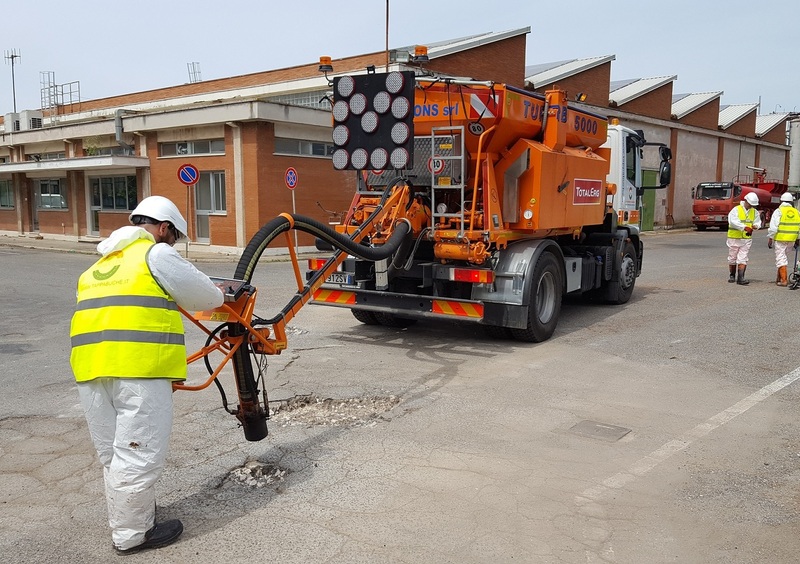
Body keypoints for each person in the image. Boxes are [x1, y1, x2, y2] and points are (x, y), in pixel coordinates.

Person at [70, 195, 224, 554]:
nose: (173, 244)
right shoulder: (155, 254)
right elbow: (206, 297)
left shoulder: (99, 266)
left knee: (113, 454)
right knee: (138, 454)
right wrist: (219, 292)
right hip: (139, 369)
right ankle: (132, 535)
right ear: (164, 228)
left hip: (91, 371)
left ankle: (131, 516)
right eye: (174, 237)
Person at [726, 192, 762, 285]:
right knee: (732, 258)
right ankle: (732, 275)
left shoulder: (754, 212)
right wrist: (744, 227)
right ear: (746, 201)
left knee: (743, 257)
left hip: (746, 238)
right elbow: (733, 221)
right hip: (734, 237)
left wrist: (756, 226)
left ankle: (741, 278)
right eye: (750, 204)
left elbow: (758, 222)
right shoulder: (736, 210)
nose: (751, 206)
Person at [767, 192, 800, 287]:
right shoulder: (796, 212)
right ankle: (779, 278)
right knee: (783, 257)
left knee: (781, 258)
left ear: (781, 201)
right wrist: (798, 238)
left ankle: (784, 280)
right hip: (792, 239)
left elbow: (773, 228)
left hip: (781, 238)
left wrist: (771, 237)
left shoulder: (779, 211)